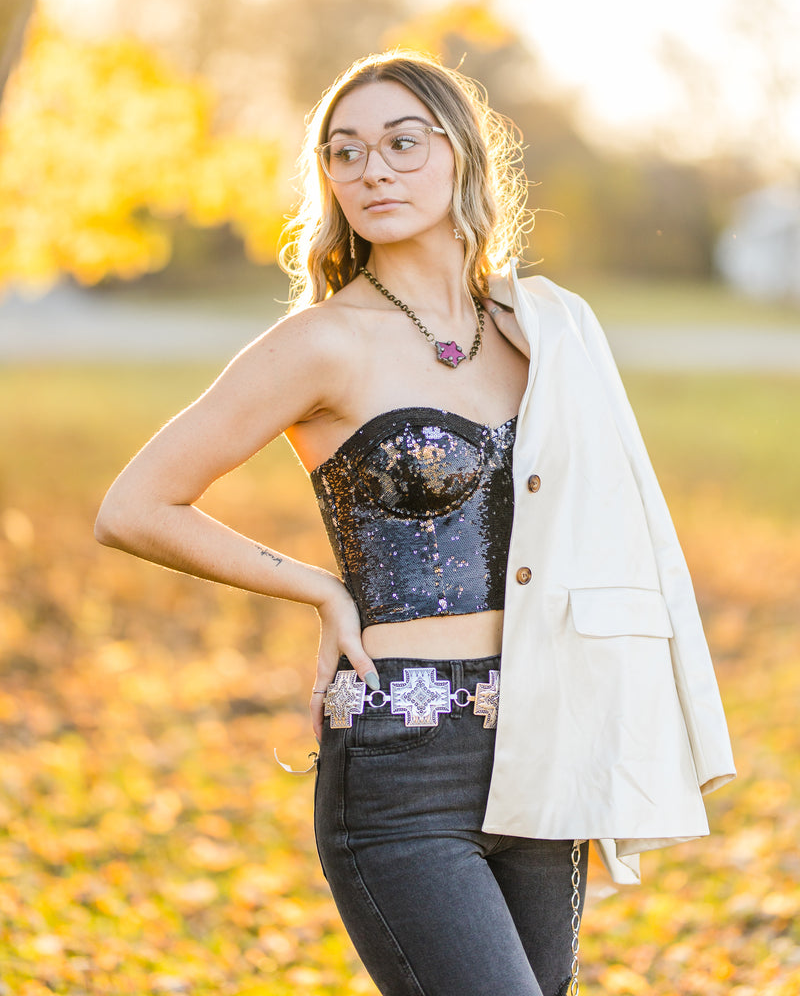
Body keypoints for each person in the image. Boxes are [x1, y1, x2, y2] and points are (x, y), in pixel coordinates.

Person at [95, 50, 735, 996]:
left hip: (543, 734)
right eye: (344, 154)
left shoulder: (541, 333)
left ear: (463, 157)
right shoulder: (323, 342)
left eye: (401, 143)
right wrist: (316, 585)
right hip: (399, 756)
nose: (372, 171)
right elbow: (135, 505)